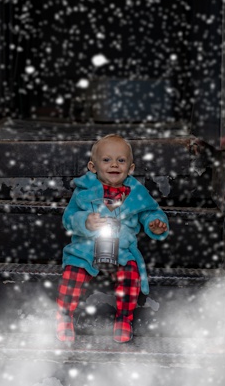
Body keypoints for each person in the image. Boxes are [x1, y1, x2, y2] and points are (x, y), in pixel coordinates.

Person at [57, 134, 169, 343]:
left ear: (131, 168)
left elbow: (150, 212)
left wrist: (155, 222)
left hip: (121, 249)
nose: (114, 165)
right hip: (87, 246)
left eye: (121, 160)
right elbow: (68, 218)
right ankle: (64, 316)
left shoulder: (137, 193)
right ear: (93, 166)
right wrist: (85, 222)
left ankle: (124, 319)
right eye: (106, 160)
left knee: (130, 276)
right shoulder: (84, 191)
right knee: (72, 273)